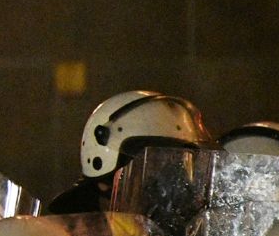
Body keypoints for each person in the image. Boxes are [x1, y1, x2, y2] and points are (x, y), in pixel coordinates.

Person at [47, 88, 208, 214]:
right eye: (155, 162)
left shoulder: (191, 235)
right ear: (106, 181)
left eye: (178, 164)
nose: (170, 181)